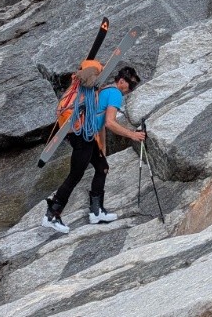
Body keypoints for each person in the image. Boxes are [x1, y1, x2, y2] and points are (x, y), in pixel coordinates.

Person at [44, 63, 144, 232]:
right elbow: (110, 122)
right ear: (121, 81)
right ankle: (51, 214)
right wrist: (133, 135)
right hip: (82, 136)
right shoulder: (114, 93)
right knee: (75, 176)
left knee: (102, 167)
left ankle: (96, 212)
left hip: (84, 135)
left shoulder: (104, 90)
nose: (131, 88)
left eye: (134, 85)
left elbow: (100, 123)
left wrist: (102, 148)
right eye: (130, 84)